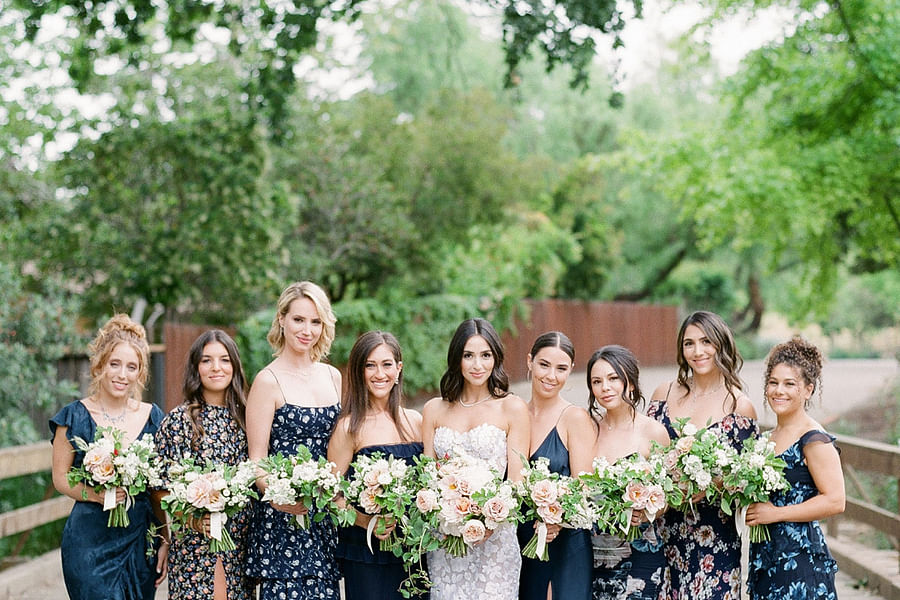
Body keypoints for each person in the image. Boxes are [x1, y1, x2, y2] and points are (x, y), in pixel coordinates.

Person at [50, 314, 167, 600]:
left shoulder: (154, 418)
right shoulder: (74, 417)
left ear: (140, 373)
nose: (122, 375)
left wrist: (164, 538)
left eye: (131, 367)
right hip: (89, 543)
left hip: (140, 540)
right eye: (115, 364)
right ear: (100, 364)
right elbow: (61, 478)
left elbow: (158, 489)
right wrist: (95, 495)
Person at [646, 310, 758, 600]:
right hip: (661, 533)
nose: (698, 351)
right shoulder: (663, 394)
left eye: (706, 341)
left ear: (722, 344)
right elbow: (642, 454)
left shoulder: (739, 406)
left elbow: (748, 479)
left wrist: (713, 484)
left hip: (714, 538)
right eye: (689, 343)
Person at [245, 281, 343, 599]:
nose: (307, 330)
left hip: (323, 516)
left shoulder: (333, 376)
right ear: (282, 319)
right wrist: (281, 497)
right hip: (283, 518)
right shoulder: (267, 381)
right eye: (299, 319)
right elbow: (257, 459)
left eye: (316, 322)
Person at [421, 318, 531, 600]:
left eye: (485, 355)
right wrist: (446, 515)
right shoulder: (434, 409)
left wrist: (488, 523)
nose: (477, 365)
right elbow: (427, 478)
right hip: (445, 538)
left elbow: (516, 483)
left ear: (496, 358)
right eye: (468, 355)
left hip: (495, 542)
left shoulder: (512, 408)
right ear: (456, 358)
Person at [154, 329, 254, 599]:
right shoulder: (179, 420)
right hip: (194, 544)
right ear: (196, 368)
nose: (216, 367)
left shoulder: (248, 419)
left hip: (239, 542)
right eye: (206, 360)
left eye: (224, 360)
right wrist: (193, 520)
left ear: (234, 366)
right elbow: (160, 488)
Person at [327, 331, 425, 599]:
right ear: (359, 372)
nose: (379, 374)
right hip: (366, 553)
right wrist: (367, 521)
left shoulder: (416, 421)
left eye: (386, 364)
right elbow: (330, 495)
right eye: (370, 365)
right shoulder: (349, 427)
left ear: (399, 368)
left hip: (413, 552)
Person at [745, 338, 844, 600]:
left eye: (789, 384)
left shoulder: (813, 438)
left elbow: (836, 501)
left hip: (800, 559)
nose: (779, 391)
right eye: (773, 382)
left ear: (808, 390)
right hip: (765, 557)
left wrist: (776, 513)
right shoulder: (766, 439)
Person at [587, 345, 672, 600]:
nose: (605, 387)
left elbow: (667, 497)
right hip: (592, 555)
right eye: (597, 381)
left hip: (640, 556)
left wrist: (647, 511)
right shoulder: (588, 430)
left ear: (631, 383)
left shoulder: (653, 431)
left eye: (613, 378)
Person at [517, 331, 594, 600]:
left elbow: (584, 487)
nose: (551, 376)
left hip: (564, 542)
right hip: (522, 541)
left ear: (571, 370)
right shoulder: (515, 413)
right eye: (544, 365)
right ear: (530, 361)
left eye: (561, 368)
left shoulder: (574, 417)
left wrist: (557, 519)